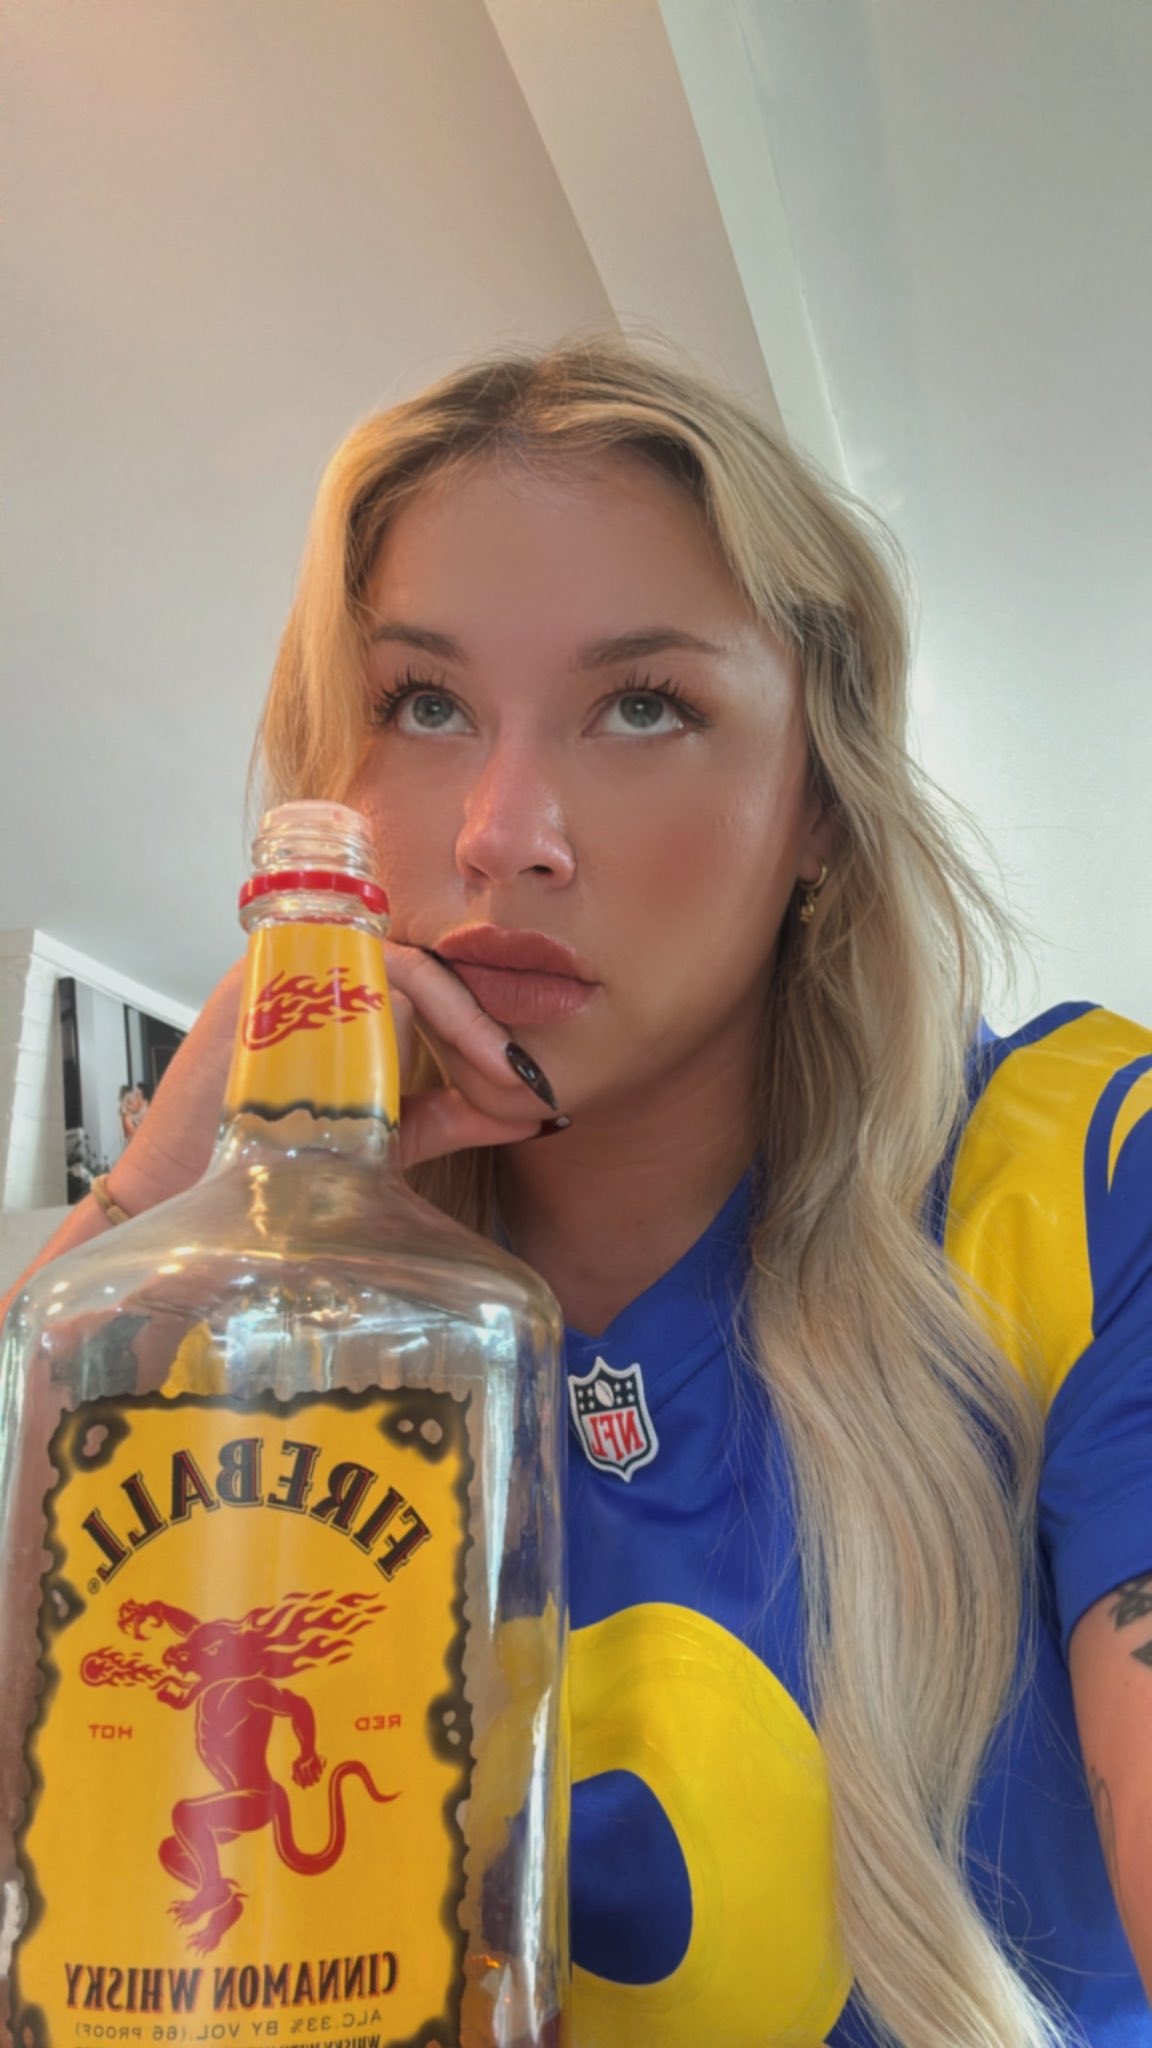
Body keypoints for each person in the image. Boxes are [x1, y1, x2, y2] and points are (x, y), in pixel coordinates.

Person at [10, 337, 1152, 2046]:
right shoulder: (267, 1346)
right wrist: (165, 1207)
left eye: (644, 706)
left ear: (821, 805)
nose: (503, 830)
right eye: (425, 704)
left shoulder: (1087, 1177)